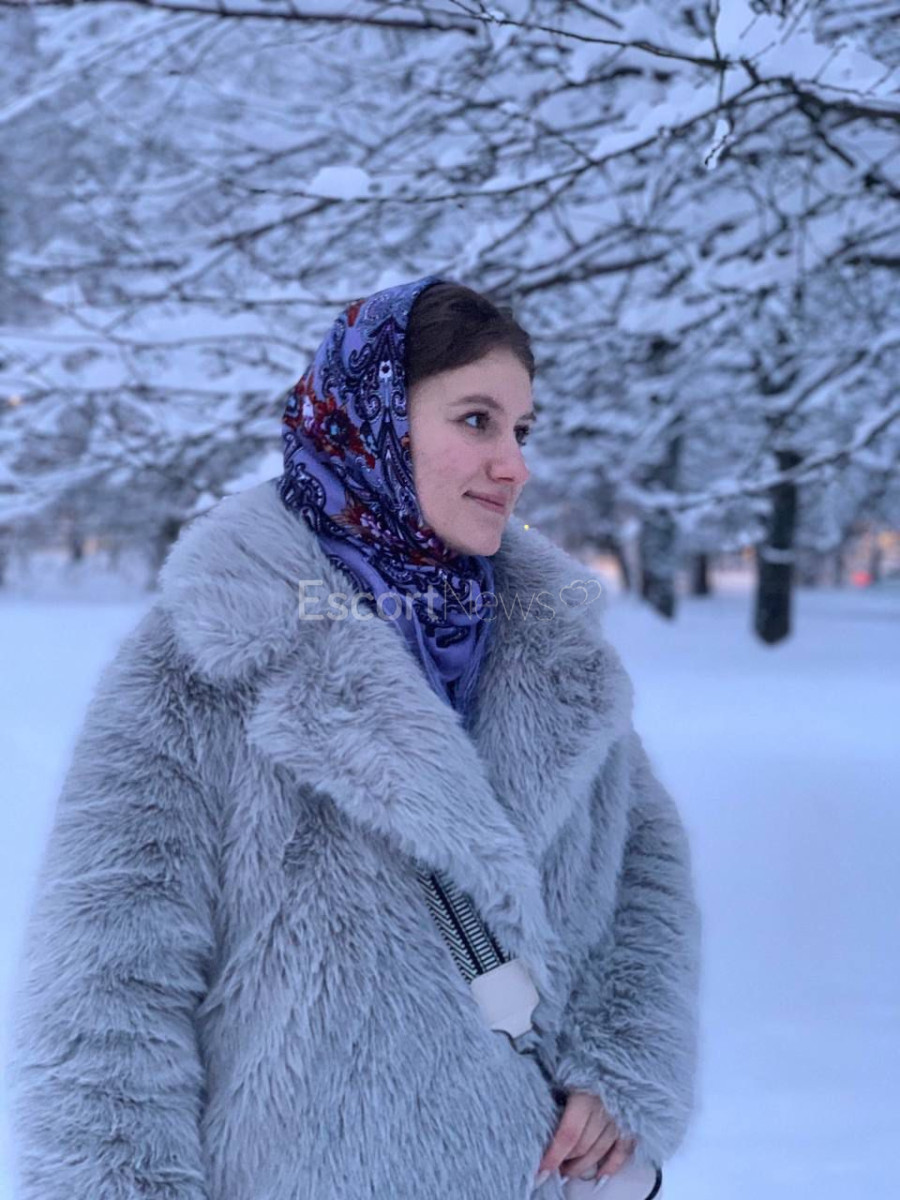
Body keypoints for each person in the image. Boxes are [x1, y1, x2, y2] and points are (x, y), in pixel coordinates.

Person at [5, 276, 702, 1200]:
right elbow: (105, 990)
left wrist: (623, 1069)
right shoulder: (207, 654)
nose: (514, 465)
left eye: (522, 430)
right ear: (372, 420)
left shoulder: (555, 651)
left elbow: (646, 877)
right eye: (477, 421)